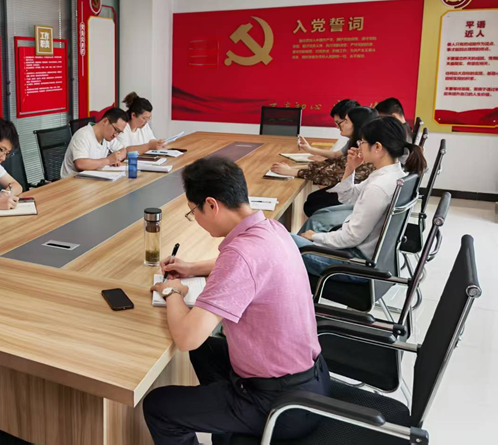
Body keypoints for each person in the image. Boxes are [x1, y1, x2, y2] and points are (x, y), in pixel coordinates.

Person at [143, 157, 330, 444]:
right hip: (311, 382)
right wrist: (192, 268)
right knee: (205, 351)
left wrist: (172, 292)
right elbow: (248, 265)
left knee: (159, 407)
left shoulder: (241, 256)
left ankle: (234, 420)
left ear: (211, 205)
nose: (196, 219)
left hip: (280, 406)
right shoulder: (272, 229)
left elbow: (186, 338)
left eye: (193, 211)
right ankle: (226, 428)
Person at [292, 116, 427, 280]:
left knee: (281, 241)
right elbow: (348, 197)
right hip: (369, 258)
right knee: (288, 241)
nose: (359, 146)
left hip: (355, 264)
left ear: (377, 147)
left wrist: (314, 237)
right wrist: (350, 167)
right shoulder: (394, 174)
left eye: (362, 142)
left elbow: (351, 237)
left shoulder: (378, 187)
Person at [271, 106, 378, 216]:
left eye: (345, 121)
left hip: (353, 198)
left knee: (313, 202)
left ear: (357, 125)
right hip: (349, 191)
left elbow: (335, 173)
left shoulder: (366, 149)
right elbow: (338, 162)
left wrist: (294, 172)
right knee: (313, 199)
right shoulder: (357, 143)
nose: (340, 125)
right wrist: (296, 169)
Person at [60, 107, 128, 178]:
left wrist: (116, 159)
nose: (116, 135)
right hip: (72, 181)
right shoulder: (83, 135)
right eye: (116, 130)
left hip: (93, 178)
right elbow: (80, 164)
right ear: (105, 121)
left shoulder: (108, 137)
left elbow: (123, 150)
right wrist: (108, 161)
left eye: (119, 132)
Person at [291, 98, 360, 161]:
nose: (337, 127)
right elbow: (336, 155)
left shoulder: (362, 143)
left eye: (339, 123)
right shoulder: (353, 140)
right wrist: (310, 149)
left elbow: (346, 166)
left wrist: (325, 161)